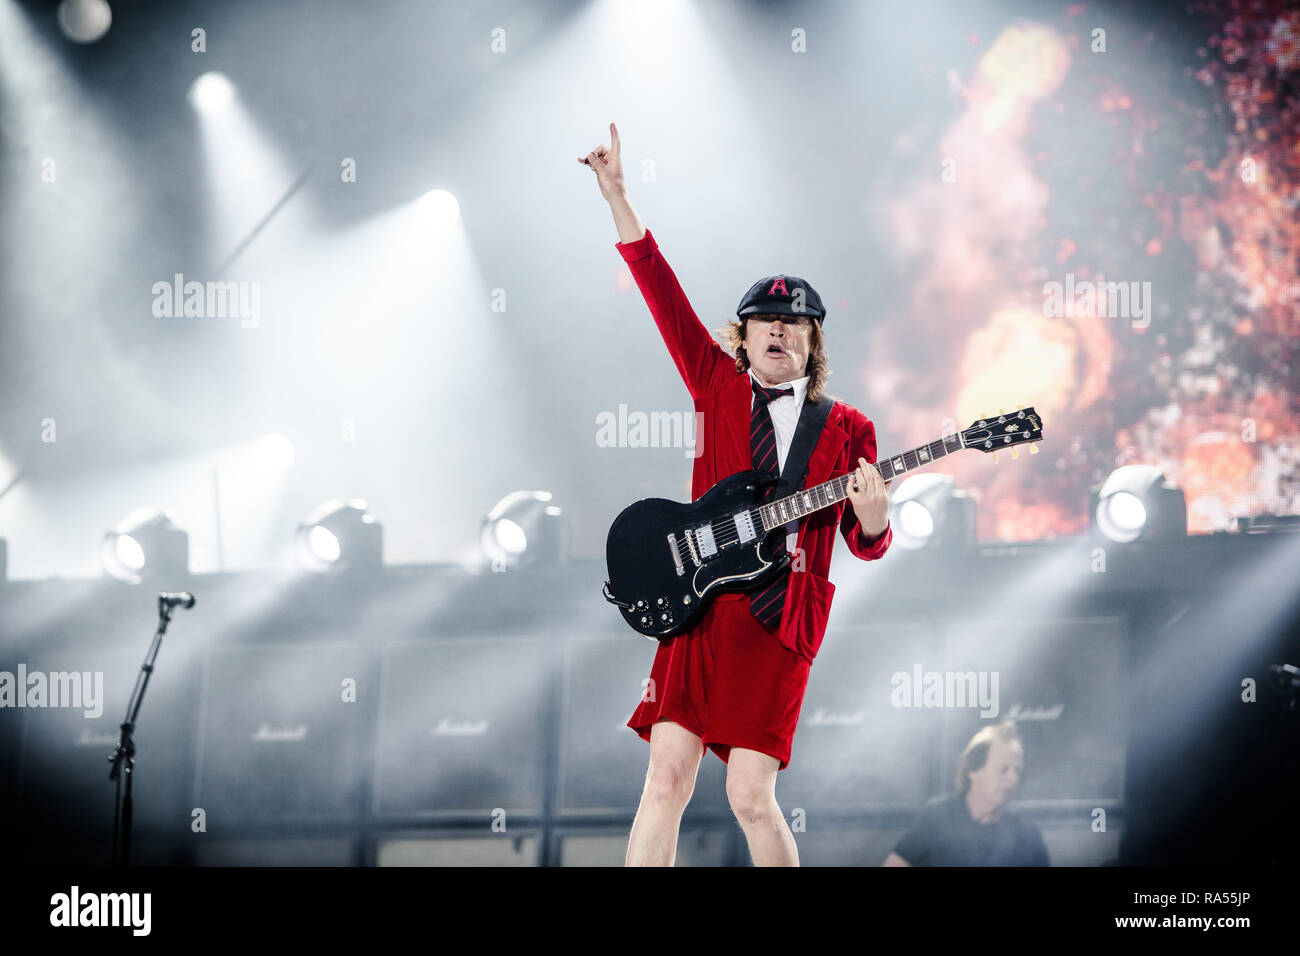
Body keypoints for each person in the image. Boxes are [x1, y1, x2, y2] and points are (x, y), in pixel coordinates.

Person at [580, 122, 894, 866]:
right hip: (695, 603)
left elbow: (863, 542)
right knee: (664, 779)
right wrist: (618, 194)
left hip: (777, 615)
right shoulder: (716, 385)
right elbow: (660, 290)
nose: (778, 332)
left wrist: (875, 519)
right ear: (743, 337)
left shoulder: (849, 426)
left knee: (750, 796)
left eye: (794, 324)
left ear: (813, 344)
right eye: (765, 323)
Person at [883, 721, 1050, 866]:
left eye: (1018, 771)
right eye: (1003, 769)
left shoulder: (1027, 833)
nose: (1013, 779)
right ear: (974, 770)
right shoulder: (937, 818)